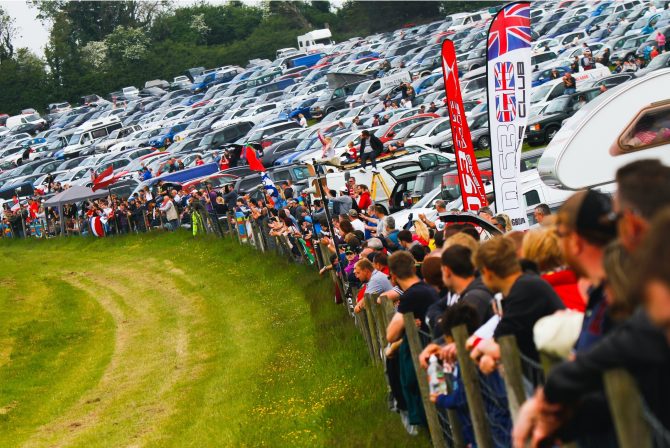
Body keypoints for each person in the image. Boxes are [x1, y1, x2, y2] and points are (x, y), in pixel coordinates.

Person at [471, 236, 565, 367]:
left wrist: (480, 349)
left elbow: (501, 339)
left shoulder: (524, 289)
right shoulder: (526, 284)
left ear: (487, 272)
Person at [386, 251, 439, 427]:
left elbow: (391, 334)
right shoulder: (428, 287)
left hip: (429, 355)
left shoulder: (411, 295)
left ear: (393, 276)